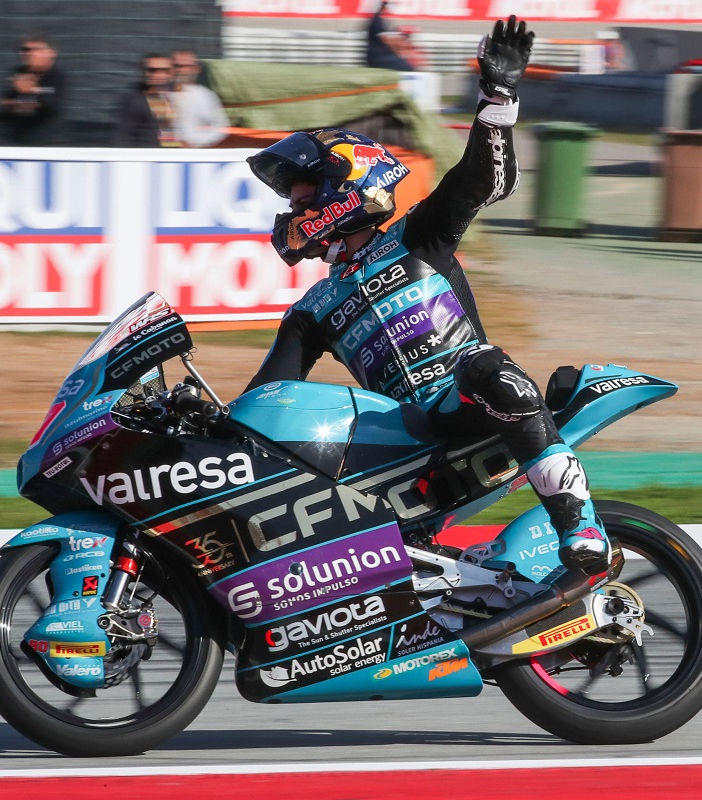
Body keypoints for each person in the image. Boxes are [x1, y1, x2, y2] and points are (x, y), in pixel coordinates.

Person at [244, 16, 610, 578]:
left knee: (484, 365)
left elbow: (481, 180)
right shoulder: (310, 310)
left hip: (468, 404)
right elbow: (267, 401)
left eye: (301, 201)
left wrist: (499, 97)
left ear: (346, 189)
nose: (292, 215)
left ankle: (577, 522)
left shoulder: (416, 235)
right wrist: (202, 425)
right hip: (400, 442)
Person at [0, 35, 66, 145]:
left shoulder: (56, 76)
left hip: (48, 145)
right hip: (16, 143)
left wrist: (31, 91)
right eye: (25, 50)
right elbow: (2, 108)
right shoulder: (16, 73)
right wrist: (29, 103)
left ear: (51, 53)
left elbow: (51, 107)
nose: (29, 53)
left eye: (36, 49)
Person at [112, 54, 179, 148]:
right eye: (152, 70)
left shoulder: (180, 97)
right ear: (145, 73)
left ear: (172, 72)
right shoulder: (135, 101)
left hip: (177, 154)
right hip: (147, 154)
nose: (159, 75)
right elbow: (123, 137)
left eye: (165, 70)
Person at [170, 50, 229, 148]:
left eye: (188, 66)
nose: (182, 70)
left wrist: (196, 143)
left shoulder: (206, 96)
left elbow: (221, 128)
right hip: (166, 151)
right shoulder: (163, 94)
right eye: (178, 66)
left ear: (196, 69)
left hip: (198, 152)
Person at [365, 1, 416, 71]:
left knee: (405, 63)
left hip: (381, 56)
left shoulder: (379, 20)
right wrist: (401, 51)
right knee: (407, 66)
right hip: (377, 58)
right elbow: (388, 41)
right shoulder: (377, 22)